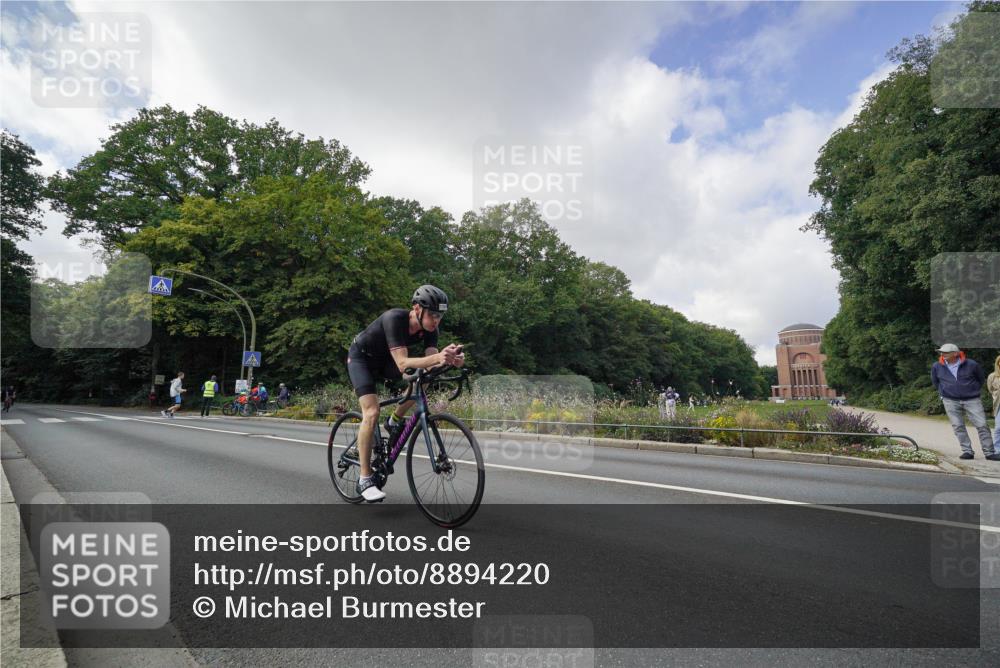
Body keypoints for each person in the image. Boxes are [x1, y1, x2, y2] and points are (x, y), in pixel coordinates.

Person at [347, 285, 464, 502]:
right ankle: (365, 478)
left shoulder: (431, 330)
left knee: (424, 380)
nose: (436, 320)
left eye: (440, 316)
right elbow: (402, 363)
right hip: (362, 359)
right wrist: (438, 358)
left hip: (386, 363)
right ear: (417, 309)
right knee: (371, 413)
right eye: (432, 315)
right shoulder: (394, 319)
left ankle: (394, 419)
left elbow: (431, 364)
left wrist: (450, 361)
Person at [931, 344, 997, 461]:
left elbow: (980, 379)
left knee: (982, 425)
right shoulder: (937, 366)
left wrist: (972, 390)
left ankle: (989, 452)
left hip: (972, 399)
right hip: (950, 400)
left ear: (955, 353)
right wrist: (943, 394)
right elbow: (936, 382)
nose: (942, 354)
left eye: (946, 352)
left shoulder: (971, 364)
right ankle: (967, 451)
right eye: (941, 352)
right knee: (958, 426)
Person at [989, 354, 1000, 454]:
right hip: (999, 405)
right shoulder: (992, 376)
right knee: (998, 428)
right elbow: (991, 390)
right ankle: (997, 450)